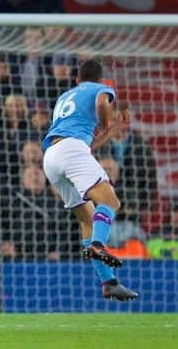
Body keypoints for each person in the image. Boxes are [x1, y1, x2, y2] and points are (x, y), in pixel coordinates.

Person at [42, 59, 138, 301]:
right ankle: (98, 245)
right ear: (100, 80)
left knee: (87, 217)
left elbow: (88, 145)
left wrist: (113, 130)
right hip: (72, 151)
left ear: (76, 80)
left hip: (51, 157)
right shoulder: (100, 89)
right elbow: (102, 101)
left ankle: (109, 282)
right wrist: (106, 120)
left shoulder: (64, 98)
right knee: (111, 202)